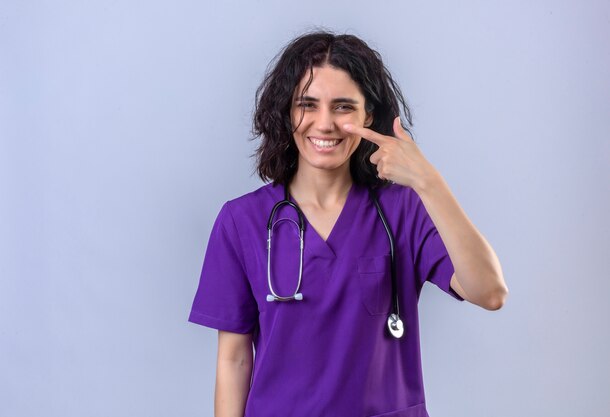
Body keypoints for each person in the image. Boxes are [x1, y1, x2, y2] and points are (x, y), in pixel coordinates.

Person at [188, 30, 508, 417]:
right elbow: (234, 360)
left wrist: (428, 181)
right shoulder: (243, 221)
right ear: (287, 112)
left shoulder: (403, 210)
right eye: (307, 104)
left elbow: (489, 292)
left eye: (343, 107)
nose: (324, 124)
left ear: (367, 115)